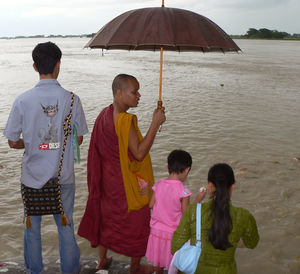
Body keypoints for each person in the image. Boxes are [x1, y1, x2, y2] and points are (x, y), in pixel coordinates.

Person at [4, 41, 88, 274]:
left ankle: (35, 271)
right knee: (66, 227)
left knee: (32, 230)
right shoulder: (72, 100)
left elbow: (12, 141)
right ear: (59, 64)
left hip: (32, 178)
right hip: (64, 178)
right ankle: (70, 270)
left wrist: (31, 143)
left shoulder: (22, 100)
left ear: (34, 67)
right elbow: (79, 139)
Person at [78, 74, 166, 273]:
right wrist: (155, 123)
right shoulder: (125, 120)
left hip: (107, 183)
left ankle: (102, 260)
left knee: (106, 220)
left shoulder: (104, 114)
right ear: (119, 93)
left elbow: (98, 152)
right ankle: (134, 267)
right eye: (134, 91)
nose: (139, 95)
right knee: (139, 222)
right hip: (125, 185)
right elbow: (140, 153)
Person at [171, 163, 260, 273]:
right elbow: (252, 243)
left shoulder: (193, 211)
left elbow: (175, 246)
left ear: (209, 184)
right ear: (233, 185)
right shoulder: (243, 215)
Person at [145, 150, 206, 273]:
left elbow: (151, 204)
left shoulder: (159, 185)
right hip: (173, 234)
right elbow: (187, 214)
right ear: (187, 169)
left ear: (167, 167)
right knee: (173, 263)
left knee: (159, 261)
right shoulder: (183, 191)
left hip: (156, 231)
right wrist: (198, 199)